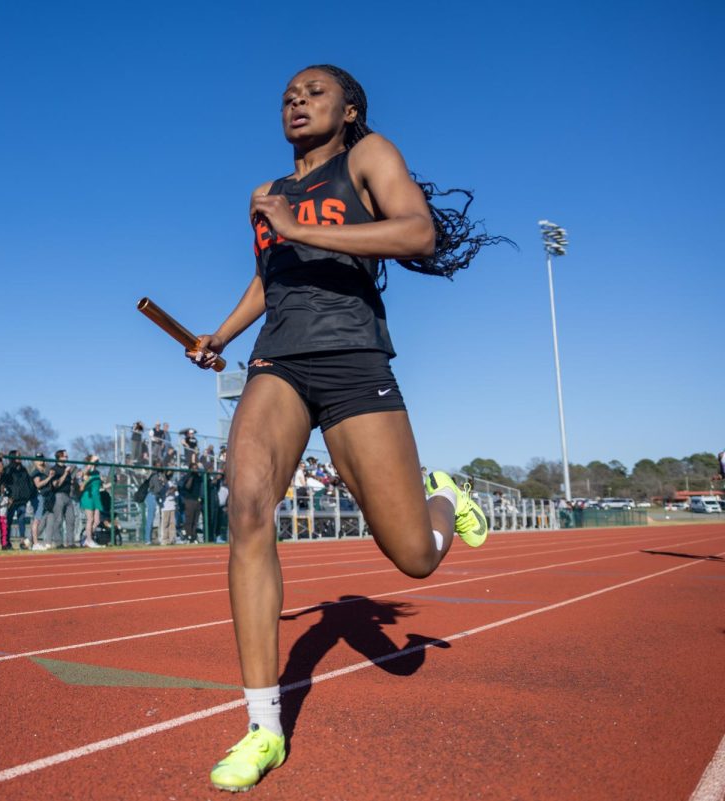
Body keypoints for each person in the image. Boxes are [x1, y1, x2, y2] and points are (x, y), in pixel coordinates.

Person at [186, 65, 497, 792]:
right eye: (288, 93)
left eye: (314, 91)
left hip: (355, 359)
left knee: (415, 557)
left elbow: (418, 233)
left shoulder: (367, 155)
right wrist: (222, 335)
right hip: (279, 362)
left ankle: (444, 497)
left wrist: (298, 224)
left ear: (349, 109)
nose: (296, 99)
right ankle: (264, 727)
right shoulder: (266, 196)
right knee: (249, 507)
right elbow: (272, 276)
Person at [78, 454, 105, 548]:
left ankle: (86, 539)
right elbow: (83, 474)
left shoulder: (97, 472)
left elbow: (102, 486)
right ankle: (89, 540)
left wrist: (111, 482)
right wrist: (91, 462)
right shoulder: (88, 469)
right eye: (94, 458)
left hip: (96, 497)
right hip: (88, 497)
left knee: (97, 521)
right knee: (90, 519)